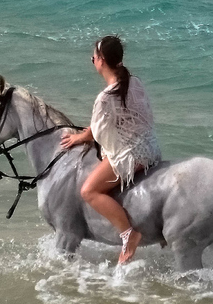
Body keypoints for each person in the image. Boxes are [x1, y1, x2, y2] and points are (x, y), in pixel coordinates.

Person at [60, 35, 162, 263]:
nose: (93, 62)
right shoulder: (135, 82)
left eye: (93, 58)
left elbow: (96, 133)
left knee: (89, 191)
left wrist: (79, 137)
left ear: (101, 61)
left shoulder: (105, 97)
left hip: (131, 155)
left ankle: (128, 234)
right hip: (151, 148)